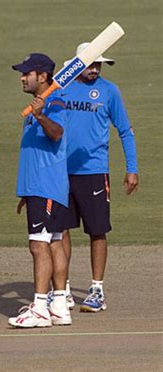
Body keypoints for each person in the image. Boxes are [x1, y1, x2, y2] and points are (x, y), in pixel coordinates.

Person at [60, 43, 138, 312]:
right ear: (77, 64)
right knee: (61, 230)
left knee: (97, 230)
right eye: (90, 64)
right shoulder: (62, 86)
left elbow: (125, 130)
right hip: (61, 171)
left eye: (98, 64)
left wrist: (132, 168)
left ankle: (97, 290)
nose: (95, 69)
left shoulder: (109, 91)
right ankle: (63, 290)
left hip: (94, 172)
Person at [8, 54, 71, 328]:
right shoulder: (44, 103)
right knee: (55, 242)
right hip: (42, 187)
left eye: (27, 73)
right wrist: (26, 191)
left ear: (43, 76)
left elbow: (57, 133)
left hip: (46, 187)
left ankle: (40, 308)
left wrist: (40, 114)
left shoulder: (54, 102)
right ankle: (58, 305)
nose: (22, 77)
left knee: (38, 245)